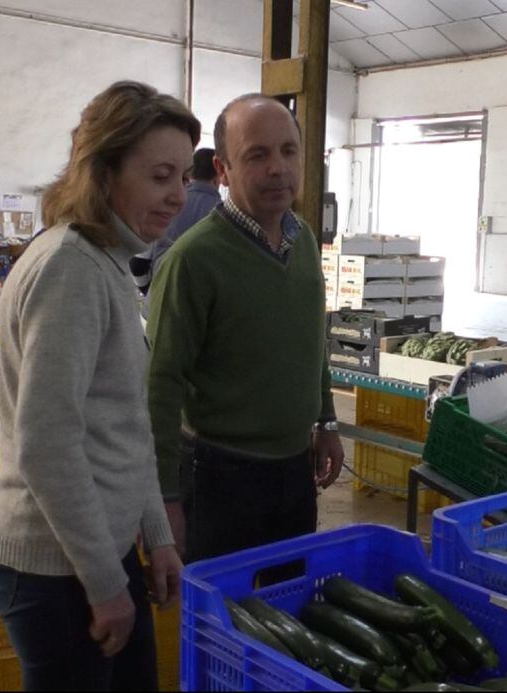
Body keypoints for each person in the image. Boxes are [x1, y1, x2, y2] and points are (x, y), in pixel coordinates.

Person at [0, 81, 199, 692]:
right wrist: (106, 585)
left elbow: (124, 426)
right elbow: (47, 443)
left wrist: (156, 539)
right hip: (55, 566)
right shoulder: (70, 269)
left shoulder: (104, 261)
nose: (178, 196)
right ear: (103, 173)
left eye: (183, 176)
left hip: (96, 552)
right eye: (160, 176)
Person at [146, 94, 345, 565]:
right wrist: (165, 502)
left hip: (295, 470)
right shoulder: (192, 261)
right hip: (220, 478)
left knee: (287, 609)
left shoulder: (303, 240)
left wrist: (327, 421)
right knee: (224, 621)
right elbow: (160, 385)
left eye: (288, 151)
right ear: (222, 170)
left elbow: (311, 338)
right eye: (257, 155)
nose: (278, 168)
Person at [129, 147, 221, 298]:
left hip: (156, 308)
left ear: (190, 173)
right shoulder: (224, 217)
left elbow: (138, 263)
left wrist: (149, 292)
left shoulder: (164, 206)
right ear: (218, 176)